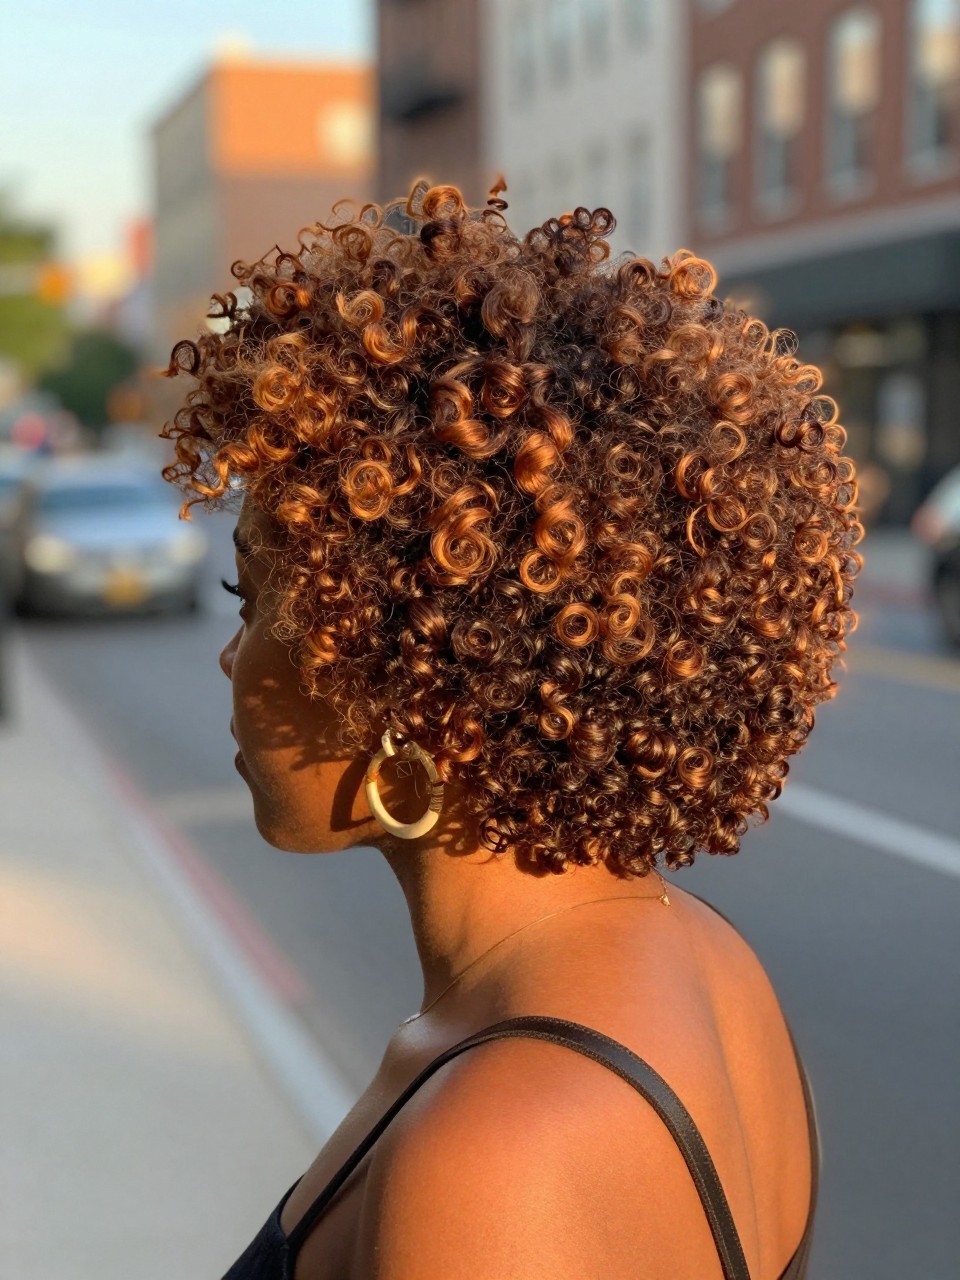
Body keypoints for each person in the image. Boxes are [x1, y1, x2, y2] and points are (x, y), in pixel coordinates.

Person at [161, 178, 862, 1280]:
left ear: (410, 682)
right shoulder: (707, 955)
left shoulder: (497, 1154)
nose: (231, 655)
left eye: (255, 603)